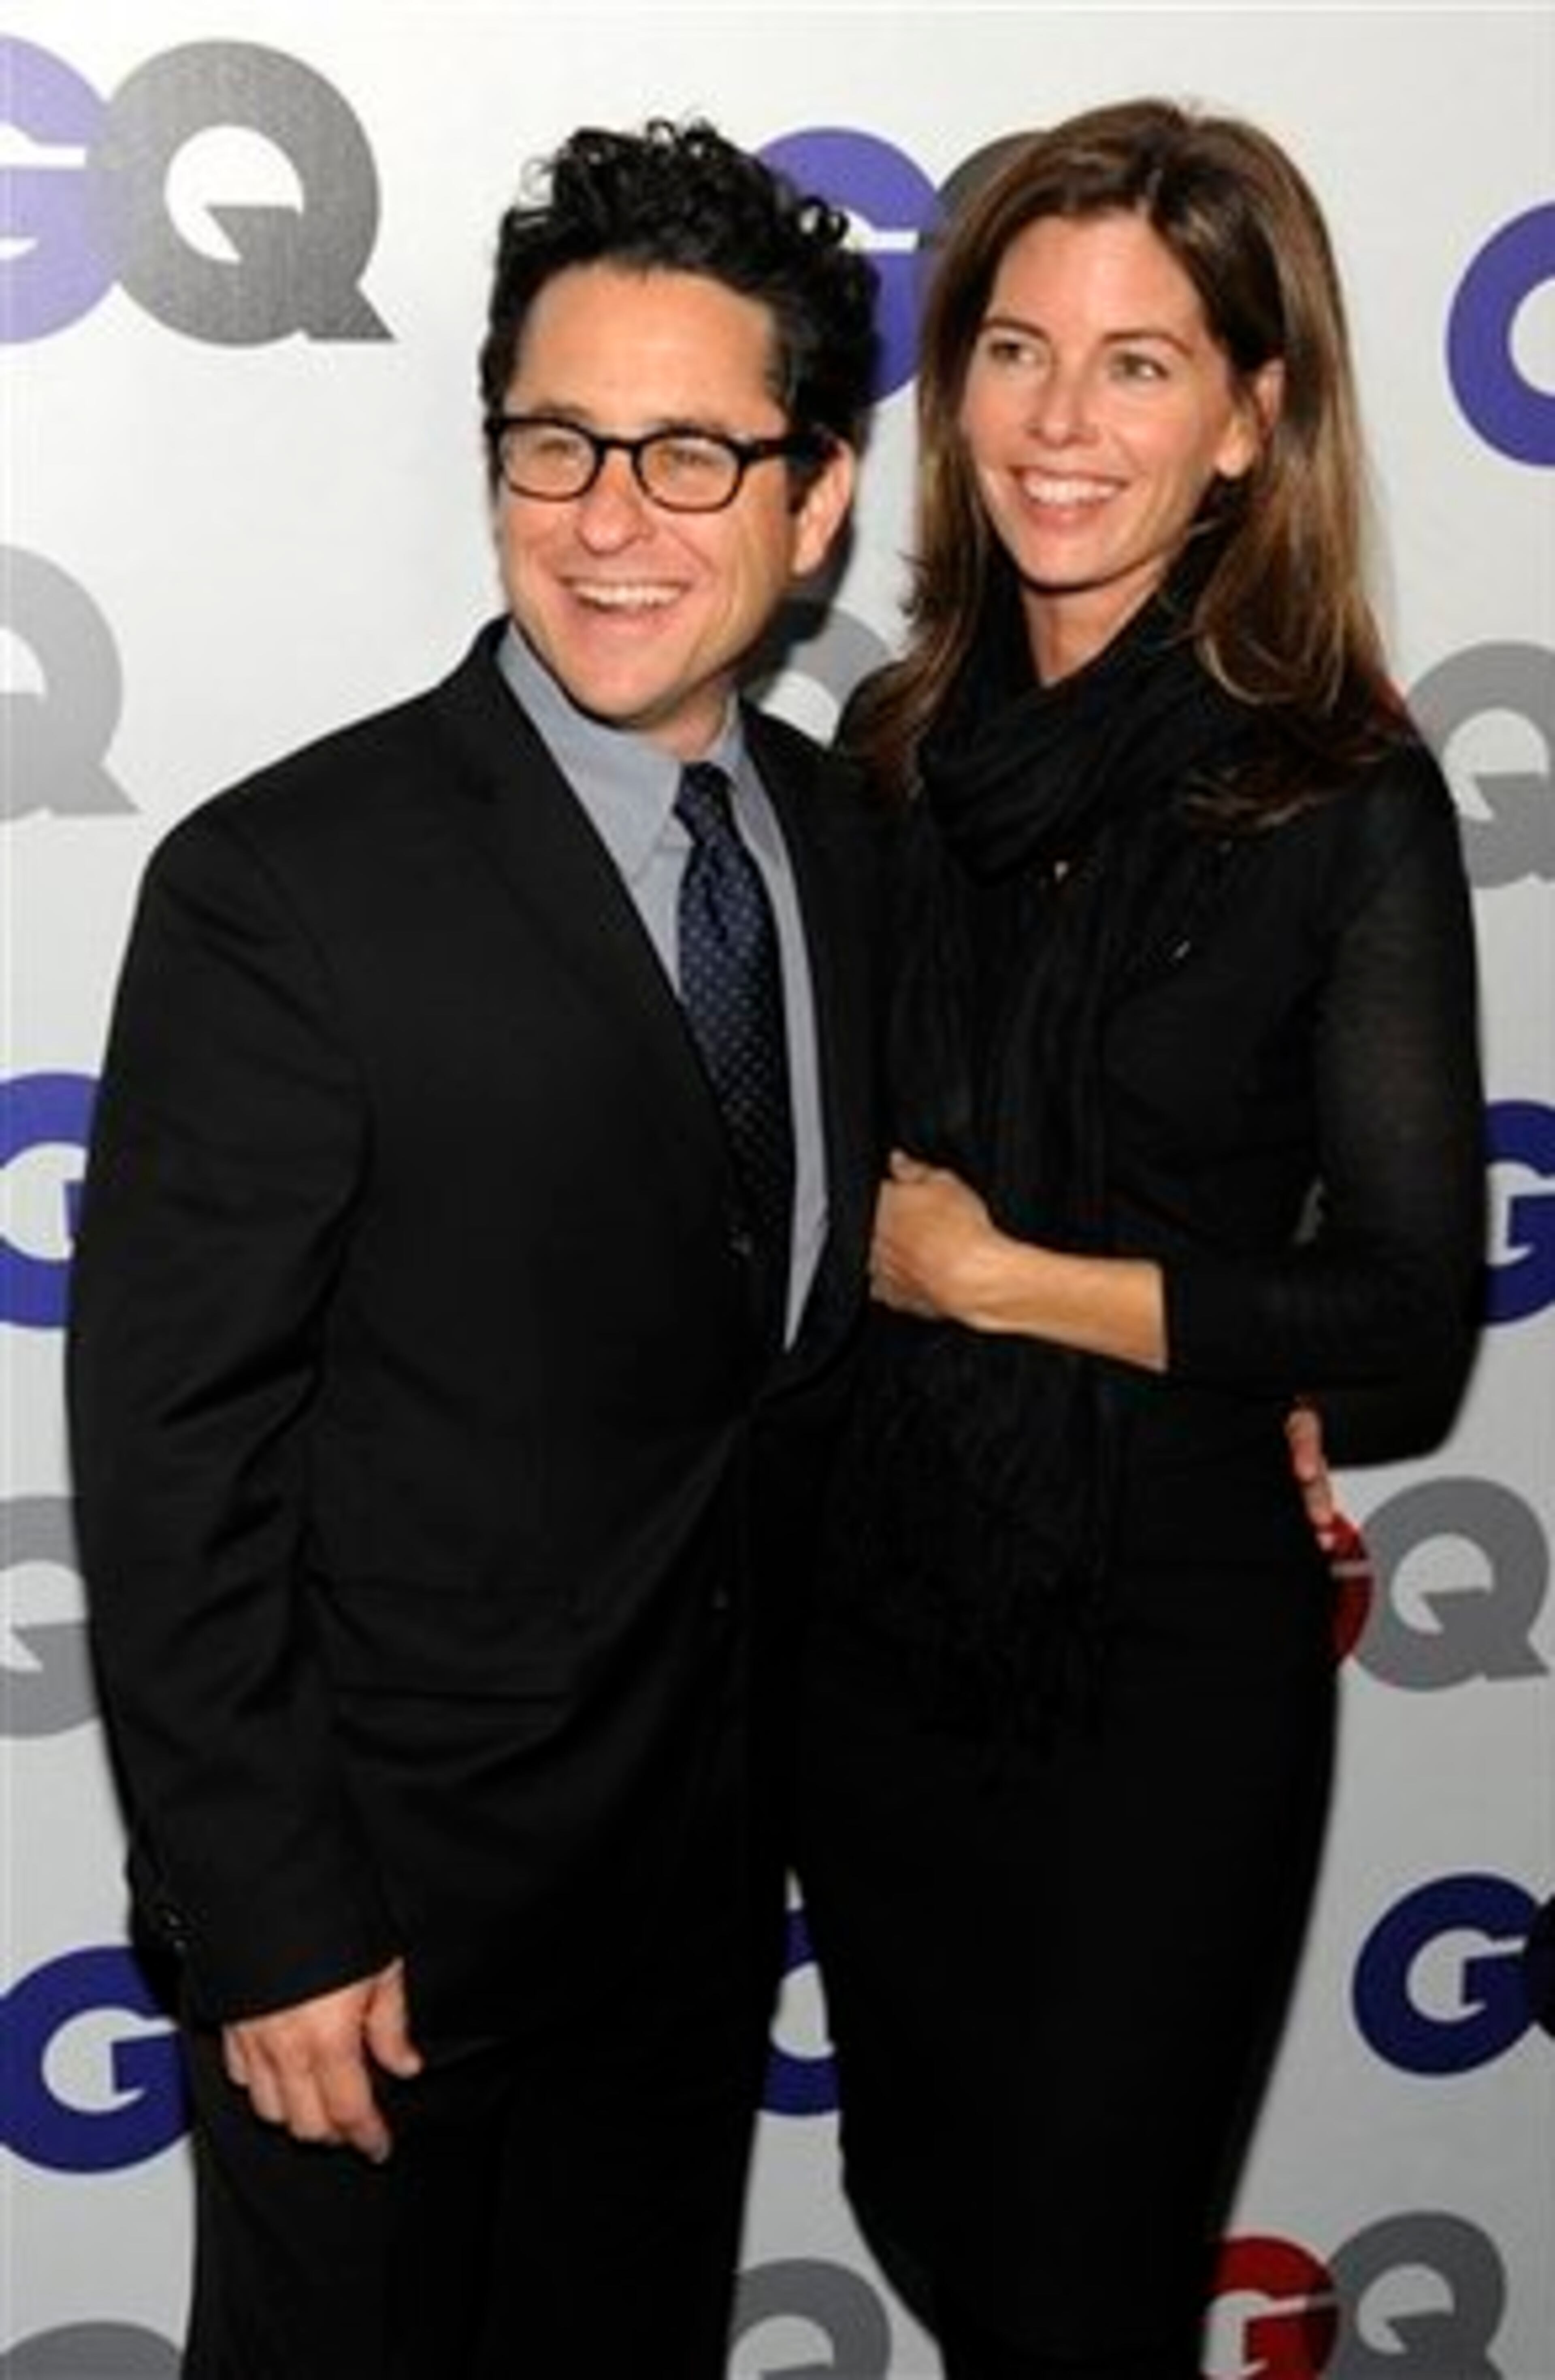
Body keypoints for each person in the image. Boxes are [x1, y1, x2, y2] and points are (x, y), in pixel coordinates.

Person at [67, 119, 879, 2380]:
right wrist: (275, 1921)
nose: (611, 518)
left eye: (693, 456)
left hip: (697, 1910)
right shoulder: (286, 890)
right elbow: (171, 1455)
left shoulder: (850, 845)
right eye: (557, 443)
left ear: (816, 503)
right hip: (382, 1952)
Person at [794, 98, 1484, 2379]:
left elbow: (1401, 1311)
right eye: (1016, 348)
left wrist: (1007, 1281)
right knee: (934, 2222)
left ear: (1252, 420)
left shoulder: (1333, 795)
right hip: (886, 1631)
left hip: (1164, 1672)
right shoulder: (891, 758)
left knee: (1081, 2297)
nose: (1058, 423)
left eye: (1141, 364)